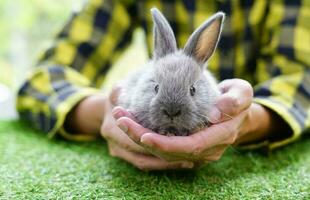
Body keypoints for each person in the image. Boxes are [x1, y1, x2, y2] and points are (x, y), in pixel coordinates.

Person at [17, 0, 310, 170]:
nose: (171, 111)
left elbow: (302, 78)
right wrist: (103, 115)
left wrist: (246, 120)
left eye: (193, 90)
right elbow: (42, 79)